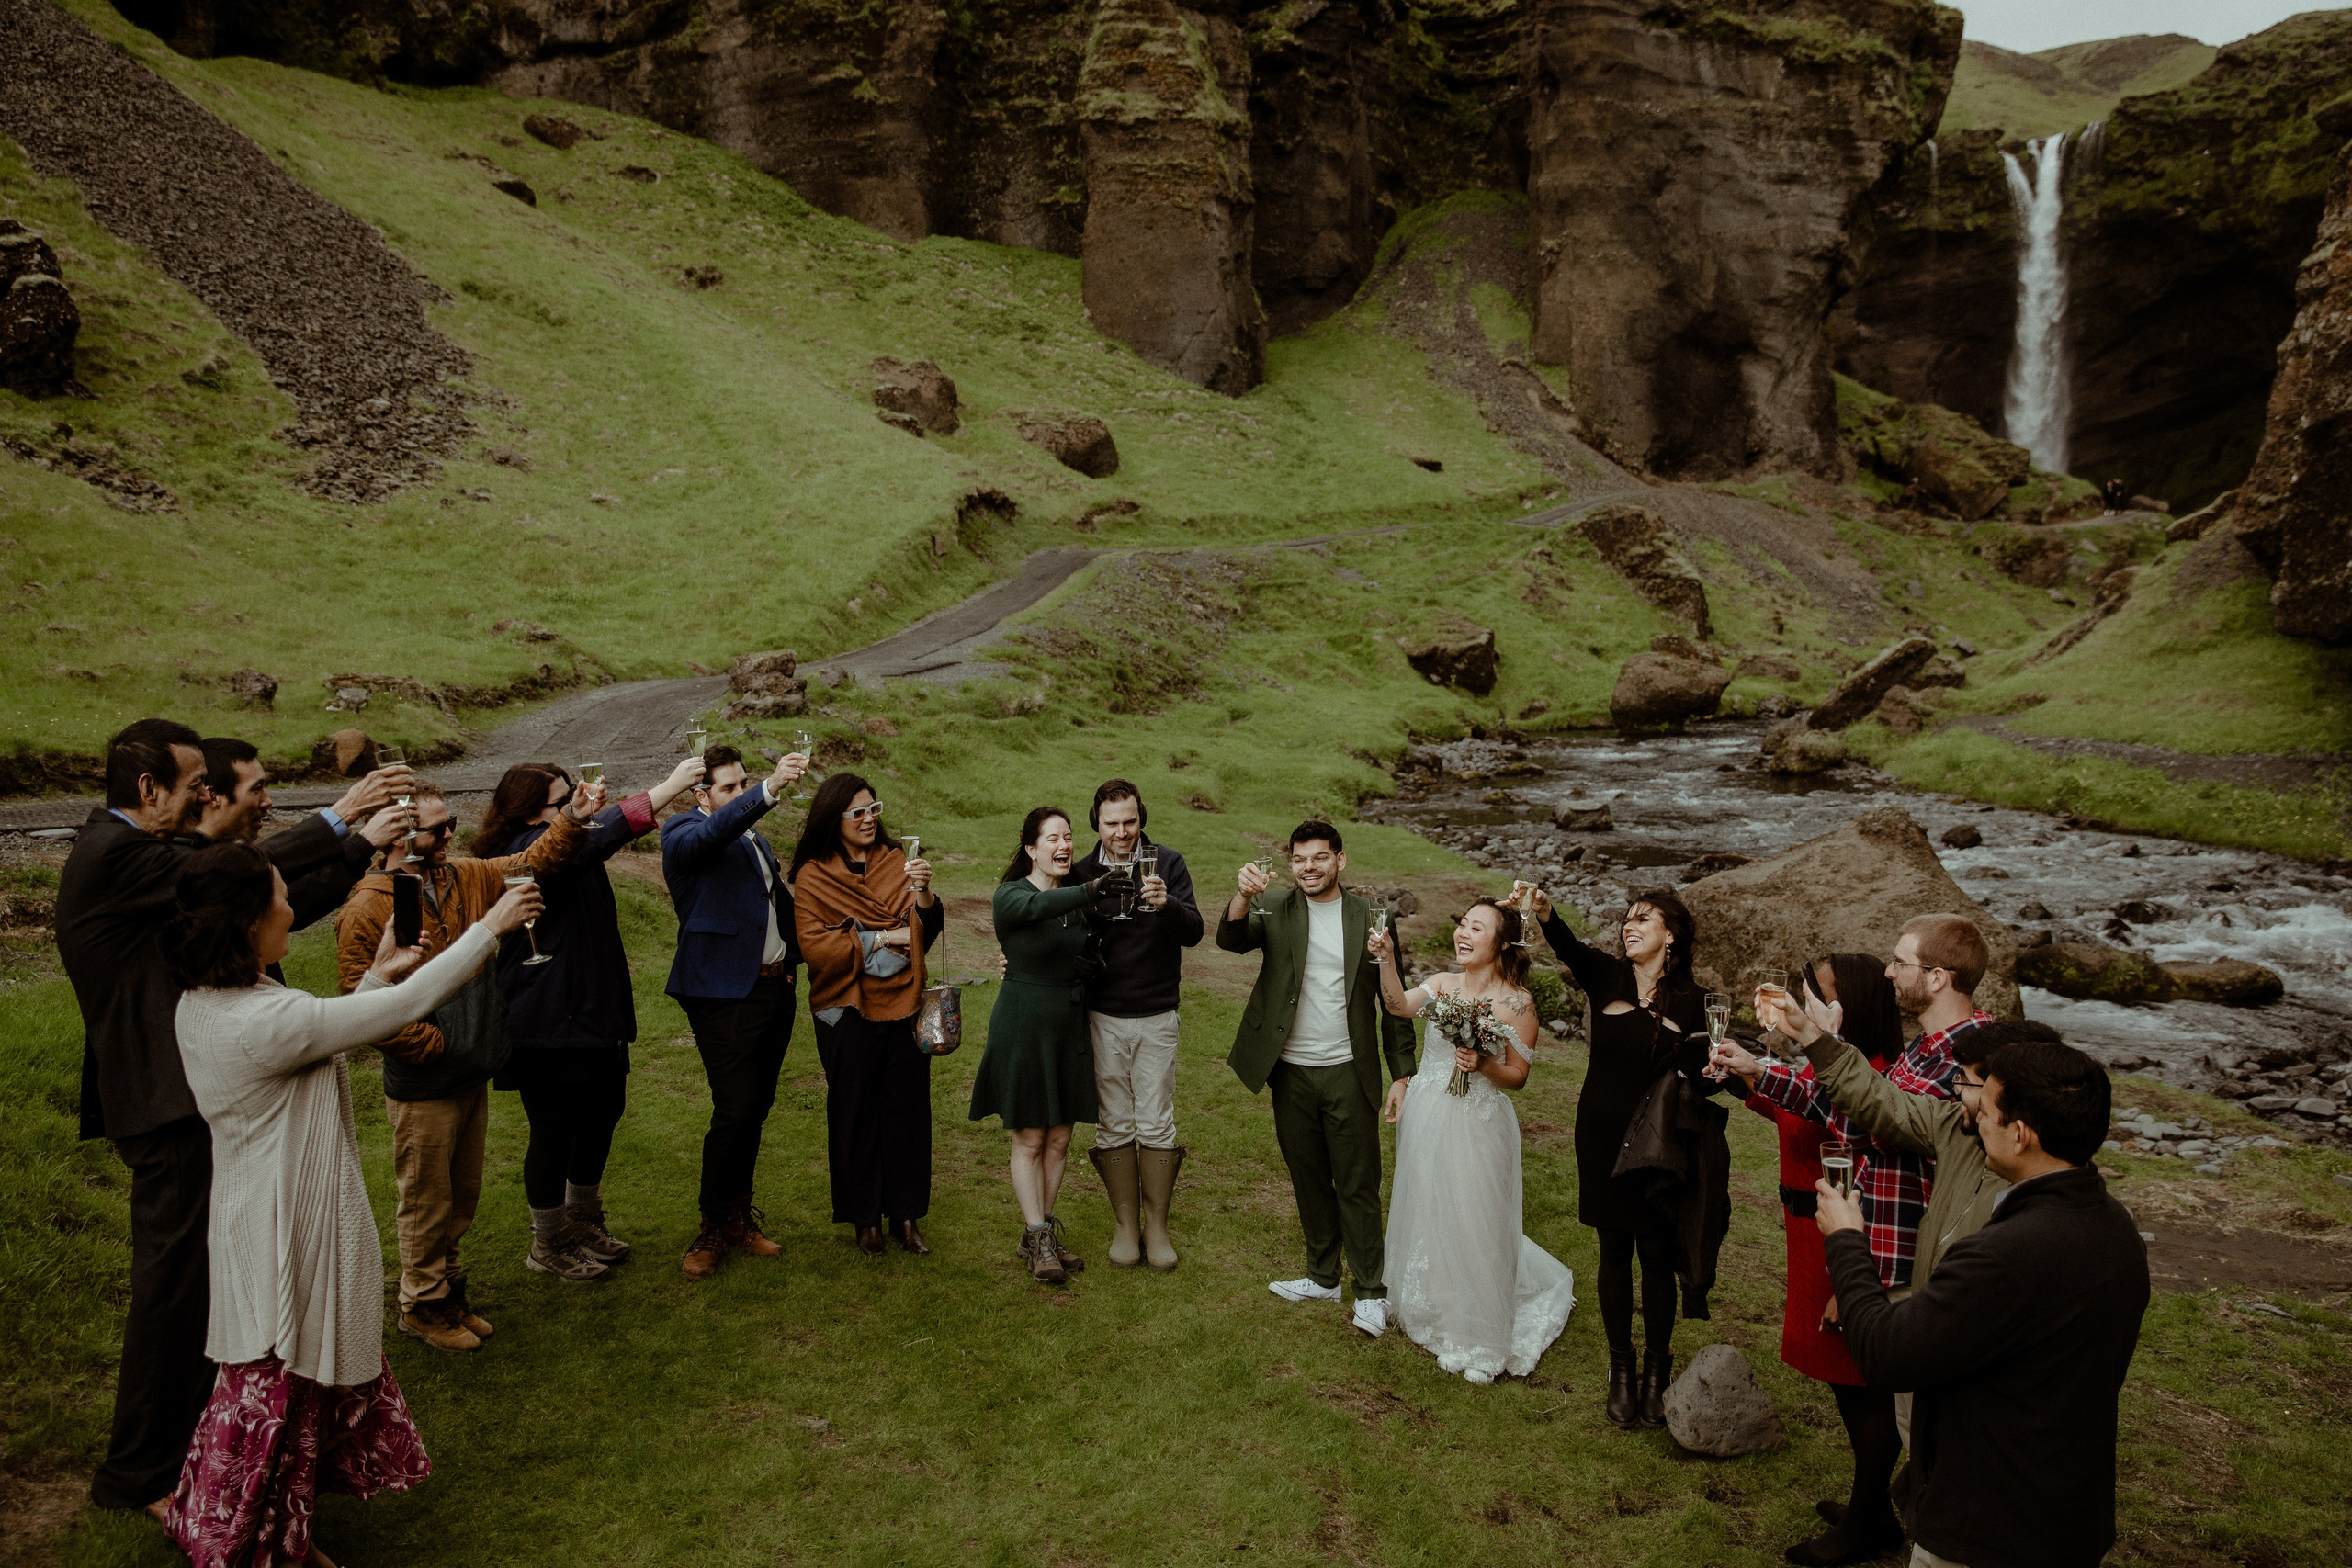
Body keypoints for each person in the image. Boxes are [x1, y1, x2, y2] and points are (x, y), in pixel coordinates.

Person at [56, 719, 411, 1519]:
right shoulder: (114, 854)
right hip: (164, 1098)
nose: (204, 801)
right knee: (173, 1292)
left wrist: (356, 848)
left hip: (192, 1093)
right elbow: (241, 874)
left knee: (205, 1287)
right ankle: (140, 1473)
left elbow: (259, 903)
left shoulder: (142, 852)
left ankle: (197, 1442)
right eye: (196, 788)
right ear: (148, 789)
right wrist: (344, 814)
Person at [160, 840, 541, 1568]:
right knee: (271, 1405)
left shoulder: (212, 1001)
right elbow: (394, 1012)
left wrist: (373, 975)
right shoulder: (261, 1018)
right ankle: (237, 1542)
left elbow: (316, 1032)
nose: (291, 907)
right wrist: (489, 928)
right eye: (280, 896)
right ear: (249, 923)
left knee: (286, 1403)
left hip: (257, 1217)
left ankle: (282, 1535)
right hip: (283, 1234)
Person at [1815, 1034, 2149, 1568]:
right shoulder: (2115, 1227)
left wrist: (1847, 1239)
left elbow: (1884, 1353)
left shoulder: (2007, 1253)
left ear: (2020, 1134)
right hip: (2067, 1520)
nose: (1972, 1119)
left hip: (1988, 1531)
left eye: (1986, 1111)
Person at [336, 780, 599, 1350]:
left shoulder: (460, 875)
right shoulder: (367, 906)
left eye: (450, 822)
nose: (450, 834)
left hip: (469, 1069)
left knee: (460, 1198)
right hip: (424, 1082)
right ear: (399, 835)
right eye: (437, 828)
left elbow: (534, 859)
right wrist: (435, 1045)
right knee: (425, 1203)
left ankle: (450, 1293)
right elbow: (358, 1005)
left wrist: (575, 817)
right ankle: (421, 1306)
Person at [474, 758, 707, 1282]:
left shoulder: (571, 838)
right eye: (563, 801)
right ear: (527, 811)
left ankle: (581, 1220)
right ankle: (547, 1241)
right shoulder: (521, 850)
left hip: (591, 1006)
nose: (575, 807)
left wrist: (578, 818)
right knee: (554, 1127)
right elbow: (591, 840)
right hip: (545, 1013)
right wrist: (671, 785)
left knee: (603, 1110)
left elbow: (590, 840)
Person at [1514, 881, 1724, 1429]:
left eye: (1643, 919)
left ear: (1670, 936)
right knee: (1613, 1250)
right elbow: (1566, 945)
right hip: (1600, 1138)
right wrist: (1545, 911)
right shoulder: (1606, 975)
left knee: (1655, 1252)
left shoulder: (1696, 1001)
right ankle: (1621, 1372)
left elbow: (1706, 1082)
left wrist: (1716, 1071)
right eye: (1626, 919)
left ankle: (1657, 1373)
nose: (1629, 926)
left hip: (1657, 1145)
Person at [1723, 954, 1910, 1568]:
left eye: (1815, 995)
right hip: (1810, 1236)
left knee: (1862, 1384)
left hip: (1843, 1241)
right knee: (1843, 1381)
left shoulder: (1872, 1075)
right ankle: (1873, 1508)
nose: (1803, 1005)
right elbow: (1802, 1112)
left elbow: (1881, 1188)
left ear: (1850, 1005)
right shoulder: (1832, 1062)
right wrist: (1745, 1080)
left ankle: (1868, 1518)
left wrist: (1859, 1275)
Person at [1216, 821, 1416, 1337]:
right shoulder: (1273, 905)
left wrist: (1401, 1074)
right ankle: (1323, 1276)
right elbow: (1230, 940)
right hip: (1290, 1070)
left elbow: (1393, 1000)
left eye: (1319, 857)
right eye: (1300, 859)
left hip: (1349, 1069)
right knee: (1306, 1175)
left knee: (1357, 1182)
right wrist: (1242, 895)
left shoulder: (1371, 916)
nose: (1309, 868)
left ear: (1339, 860)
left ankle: (1370, 1292)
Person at [1367, 898, 1574, 1382]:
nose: (1463, 933)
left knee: (1477, 1215)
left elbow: (1517, 1076)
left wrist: (1484, 1066)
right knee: (1431, 1205)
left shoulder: (1518, 1004)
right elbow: (1397, 1006)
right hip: (1427, 1111)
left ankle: (1480, 1335)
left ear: (1501, 944)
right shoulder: (1442, 984)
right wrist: (1387, 959)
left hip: (1480, 1121)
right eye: (1462, 924)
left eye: (1476, 928)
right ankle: (1437, 1307)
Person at [660, 741, 810, 1280]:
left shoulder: (755, 839)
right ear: (701, 794)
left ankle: (737, 1215)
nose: (741, 792)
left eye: (745, 782)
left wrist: (789, 963)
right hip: (722, 995)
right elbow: (711, 836)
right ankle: (712, 1223)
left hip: (772, 989)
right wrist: (768, 790)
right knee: (735, 1108)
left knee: (755, 1107)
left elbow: (772, 905)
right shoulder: (682, 832)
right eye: (730, 787)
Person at [791, 773, 944, 1257]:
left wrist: (923, 894)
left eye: (873, 809)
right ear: (832, 818)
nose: (868, 819)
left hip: (903, 1002)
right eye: (857, 812)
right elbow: (816, 950)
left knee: (907, 1110)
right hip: (846, 1008)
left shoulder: (897, 861)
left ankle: (905, 1216)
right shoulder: (813, 875)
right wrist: (880, 937)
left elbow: (926, 927)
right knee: (854, 1110)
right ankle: (865, 1220)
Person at [1068, 780, 1203, 1270]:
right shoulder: (1081, 872)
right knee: (1113, 1119)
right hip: (1102, 1014)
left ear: (1141, 818)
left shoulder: (1168, 863)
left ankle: (1157, 1227)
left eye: (1130, 821)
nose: (1122, 832)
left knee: (1156, 1117)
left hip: (1157, 1012)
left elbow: (1194, 932)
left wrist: (1169, 906)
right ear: (1096, 823)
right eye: (1112, 824)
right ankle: (1126, 1226)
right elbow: (1063, 935)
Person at [968, 807, 1104, 1283]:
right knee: (1029, 1138)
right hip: (1024, 1025)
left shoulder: (1079, 902)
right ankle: (1037, 1235)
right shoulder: (1011, 894)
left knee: (1060, 1138)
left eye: (1068, 837)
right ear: (1031, 848)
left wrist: (1093, 965)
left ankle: (1041, 1230)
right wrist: (1089, 889)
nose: (1064, 846)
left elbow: (1087, 947)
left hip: (1068, 1025)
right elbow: (1034, 910)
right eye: (1053, 839)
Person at [194, 738, 413, 949]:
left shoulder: (216, 855)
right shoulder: (186, 862)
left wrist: (364, 842)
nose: (267, 801)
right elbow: (248, 867)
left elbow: (292, 902)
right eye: (256, 789)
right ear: (213, 796)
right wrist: (349, 808)